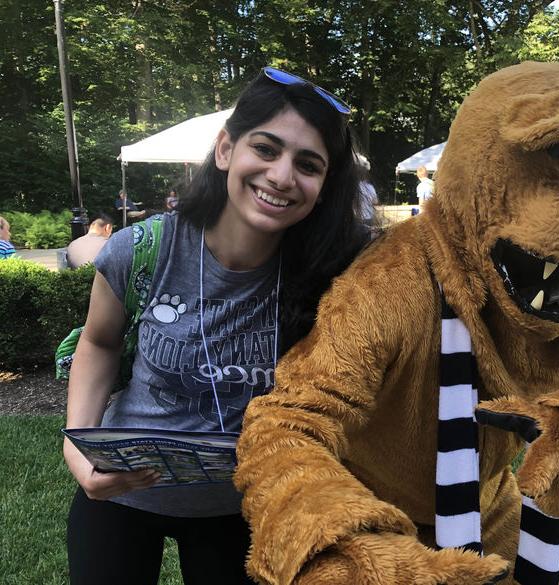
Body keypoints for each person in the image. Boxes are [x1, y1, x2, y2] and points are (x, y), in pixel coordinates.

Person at [63, 66, 368, 585]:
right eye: (266, 149)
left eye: (308, 164)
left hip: (247, 508)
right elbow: (98, 342)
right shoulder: (141, 250)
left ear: (324, 185)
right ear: (226, 150)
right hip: (122, 490)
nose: (281, 176)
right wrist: (77, 444)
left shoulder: (336, 275)